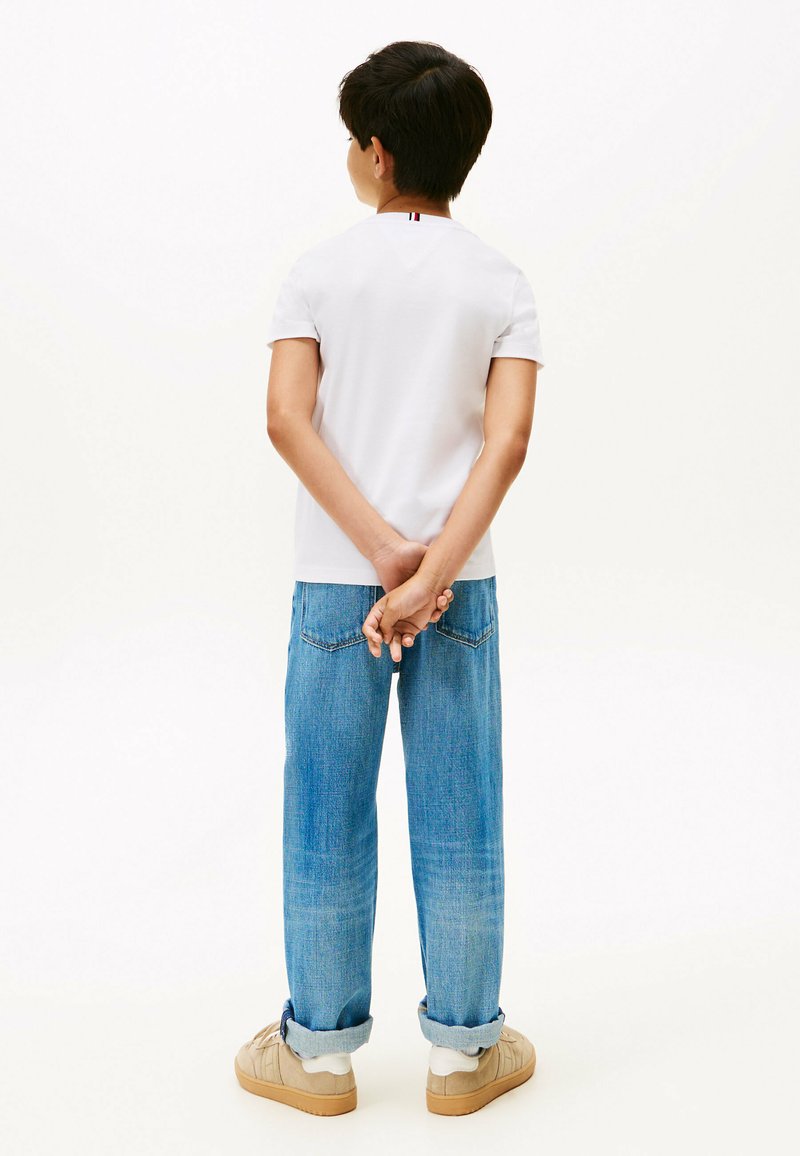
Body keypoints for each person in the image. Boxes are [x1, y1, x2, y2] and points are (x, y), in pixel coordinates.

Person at [234, 39, 545, 1117]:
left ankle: (318, 1058)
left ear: (375, 152)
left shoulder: (316, 272)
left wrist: (378, 554)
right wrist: (430, 571)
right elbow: (506, 444)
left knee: (324, 808)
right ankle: (464, 1056)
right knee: (462, 813)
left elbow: (286, 418)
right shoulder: (500, 281)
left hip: (337, 582)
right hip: (459, 589)